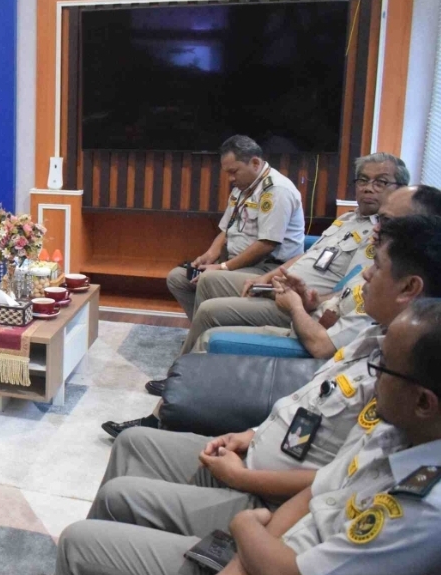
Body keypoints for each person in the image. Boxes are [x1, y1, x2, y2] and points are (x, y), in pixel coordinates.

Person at [28, 298, 441, 575]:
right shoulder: (394, 433)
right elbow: (318, 493)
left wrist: (245, 528)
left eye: (383, 369)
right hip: (263, 548)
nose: (374, 378)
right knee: (91, 525)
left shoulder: (425, 507)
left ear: (424, 401)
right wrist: (248, 555)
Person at [73, 215, 441, 547]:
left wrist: (241, 478)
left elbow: (333, 484)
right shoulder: (374, 337)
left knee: (109, 508)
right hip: (254, 452)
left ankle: (107, 555)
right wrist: (249, 436)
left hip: (266, 500)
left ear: (410, 287)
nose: (366, 274)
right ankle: (112, 562)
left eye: (377, 266)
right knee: (133, 444)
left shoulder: (401, 383)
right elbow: (312, 399)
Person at [108, 187, 441, 439]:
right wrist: (309, 298)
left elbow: (325, 344)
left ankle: (166, 410)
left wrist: (295, 305)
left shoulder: (396, 293)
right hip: (303, 306)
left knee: (211, 323)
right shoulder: (374, 254)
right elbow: (339, 295)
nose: (377, 226)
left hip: (301, 330)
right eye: (380, 218)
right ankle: (176, 390)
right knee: (199, 290)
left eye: (389, 222)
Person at [175, 153, 408, 356]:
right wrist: (268, 278)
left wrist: (304, 300)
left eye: (381, 182)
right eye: (363, 180)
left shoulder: (382, 237)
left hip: (299, 304)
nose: (368, 188)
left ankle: (185, 366)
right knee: (205, 281)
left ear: (400, 190)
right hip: (280, 284)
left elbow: (348, 293)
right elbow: (310, 254)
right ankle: (196, 352)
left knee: (209, 309)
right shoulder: (347, 218)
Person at [166, 135, 306, 320]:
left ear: (255, 163)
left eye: (234, 172)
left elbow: (266, 244)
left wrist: (223, 267)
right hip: (239, 263)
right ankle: (203, 328)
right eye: (227, 173)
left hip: (269, 268)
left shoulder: (276, 190)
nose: (230, 179)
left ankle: (203, 333)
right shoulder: (242, 188)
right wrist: (209, 255)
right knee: (177, 278)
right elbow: (227, 229)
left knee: (208, 279)